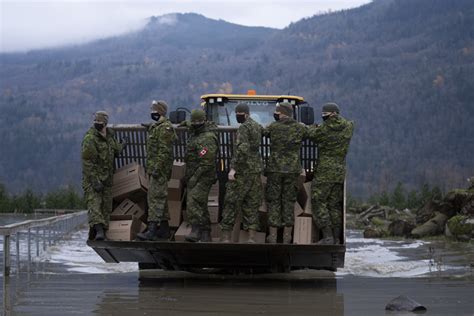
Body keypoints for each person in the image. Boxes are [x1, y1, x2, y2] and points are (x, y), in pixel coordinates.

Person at [307, 102, 354, 244]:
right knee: (334, 204)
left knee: (318, 200)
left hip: (325, 172)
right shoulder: (348, 127)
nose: (323, 118)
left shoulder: (324, 130)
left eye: (324, 115)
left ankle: (327, 236)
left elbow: (311, 134)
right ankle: (336, 237)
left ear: (331, 114)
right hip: (339, 171)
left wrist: (313, 127)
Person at [263, 102, 307, 243]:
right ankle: (287, 236)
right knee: (288, 201)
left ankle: (273, 236)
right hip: (292, 170)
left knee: (274, 201)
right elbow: (311, 133)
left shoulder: (273, 127)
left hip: (275, 169)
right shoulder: (299, 128)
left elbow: (262, 132)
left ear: (280, 113)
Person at [220, 103, 263, 243]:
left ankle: (225, 238)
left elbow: (242, 150)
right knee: (252, 204)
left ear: (244, 114)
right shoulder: (257, 126)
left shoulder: (244, 128)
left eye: (238, 114)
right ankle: (251, 237)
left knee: (231, 202)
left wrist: (234, 168)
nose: (237, 116)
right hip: (255, 171)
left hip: (243, 172)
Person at [81, 111, 126, 241]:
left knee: (106, 206)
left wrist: (122, 144)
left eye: (99, 122)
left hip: (107, 179)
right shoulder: (90, 139)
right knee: (95, 204)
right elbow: (87, 162)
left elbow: (115, 150)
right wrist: (94, 180)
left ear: (105, 123)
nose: (97, 124)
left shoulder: (110, 137)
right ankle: (99, 231)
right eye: (95, 122)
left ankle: (104, 232)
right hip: (93, 179)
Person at [137, 100, 177, 241]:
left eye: (154, 110)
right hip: (155, 169)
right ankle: (164, 229)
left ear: (160, 111)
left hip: (159, 170)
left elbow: (164, 151)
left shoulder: (165, 128)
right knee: (160, 198)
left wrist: (157, 168)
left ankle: (152, 230)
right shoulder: (157, 127)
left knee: (155, 198)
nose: (152, 112)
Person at [182, 109, 219, 242]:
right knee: (201, 204)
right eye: (194, 121)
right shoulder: (196, 132)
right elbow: (191, 125)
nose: (195, 124)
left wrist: (194, 178)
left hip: (204, 176)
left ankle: (196, 230)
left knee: (193, 201)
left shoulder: (207, 138)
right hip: (195, 174)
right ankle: (205, 233)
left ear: (204, 121)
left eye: (198, 121)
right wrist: (185, 123)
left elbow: (207, 164)